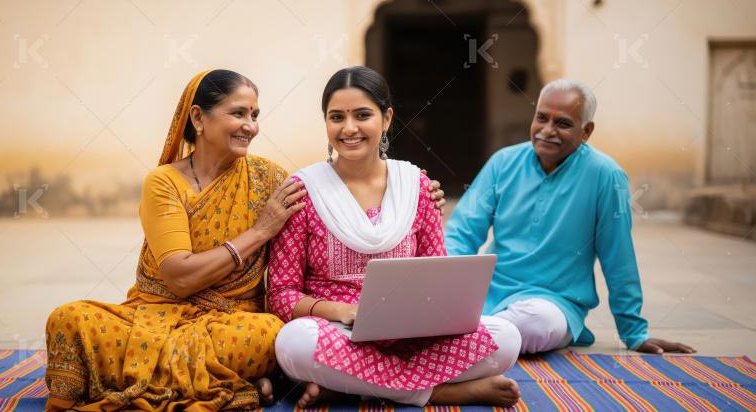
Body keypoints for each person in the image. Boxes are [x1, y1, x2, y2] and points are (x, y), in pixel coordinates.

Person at [44, 69, 447, 410]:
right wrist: (259, 232)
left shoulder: (270, 179)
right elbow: (178, 279)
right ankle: (238, 385)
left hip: (237, 324)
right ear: (199, 119)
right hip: (156, 314)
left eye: (254, 114)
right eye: (238, 113)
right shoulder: (164, 183)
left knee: (270, 335)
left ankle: (217, 382)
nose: (251, 126)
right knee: (69, 320)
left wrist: (411, 192)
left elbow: (330, 199)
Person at [268, 66, 523, 409]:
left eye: (362, 115)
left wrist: (424, 317)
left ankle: (349, 388)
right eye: (336, 117)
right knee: (293, 344)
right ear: (325, 122)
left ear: (386, 119)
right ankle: (439, 392)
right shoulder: (304, 191)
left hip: (413, 335)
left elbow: (437, 273)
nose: (349, 129)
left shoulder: (415, 186)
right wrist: (342, 311)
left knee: (506, 337)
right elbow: (281, 294)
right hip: (337, 333)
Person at [445, 79, 696, 356]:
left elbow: (619, 256)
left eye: (562, 123)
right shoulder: (503, 162)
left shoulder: (606, 176)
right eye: (541, 118)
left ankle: (462, 341)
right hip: (488, 295)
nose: (547, 131)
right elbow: (462, 231)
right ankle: (479, 336)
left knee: (536, 325)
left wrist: (633, 331)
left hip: (552, 304)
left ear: (586, 131)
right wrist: (448, 289)